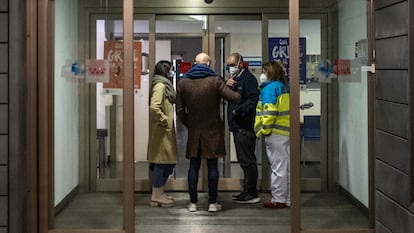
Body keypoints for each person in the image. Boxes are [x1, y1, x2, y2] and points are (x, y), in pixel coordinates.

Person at [176, 52, 241, 212]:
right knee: (212, 166)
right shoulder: (215, 81)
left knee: (193, 166)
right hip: (212, 130)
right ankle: (212, 203)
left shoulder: (183, 82)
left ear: (195, 63)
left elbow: (179, 110)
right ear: (209, 64)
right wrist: (236, 88)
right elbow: (233, 98)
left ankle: (193, 203)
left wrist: (190, 123)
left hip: (194, 130)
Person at [254, 61, 290, 208]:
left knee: (278, 167)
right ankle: (288, 198)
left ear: (270, 73)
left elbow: (269, 112)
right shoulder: (283, 87)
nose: (262, 75)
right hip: (286, 130)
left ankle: (278, 199)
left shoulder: (270, 88)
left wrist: (265, 130)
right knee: (287, 166)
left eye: (264, 71)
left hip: (275, 132)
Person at [225, 52, 260, 204]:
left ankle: (252, 192)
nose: (230, 68)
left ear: (240, 63)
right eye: (228, 65)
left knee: (248, 161)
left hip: (244, 126)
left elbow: (253, 99)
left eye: (232, 65)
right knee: (243, 160)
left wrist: (238, 110)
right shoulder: (235, 79)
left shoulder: (248, 79)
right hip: (237, 126)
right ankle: (246, 190)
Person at [147, 60, 178, 208]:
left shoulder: (164, 85)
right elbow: (154, 107)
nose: (172, 72)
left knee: (168, 162)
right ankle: (156, 194)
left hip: (164, 131)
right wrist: (164, 120)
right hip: (161, 132)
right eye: (170, 69)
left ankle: (159, 191)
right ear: (165, 70)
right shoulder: (160, 85)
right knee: (161, 162)